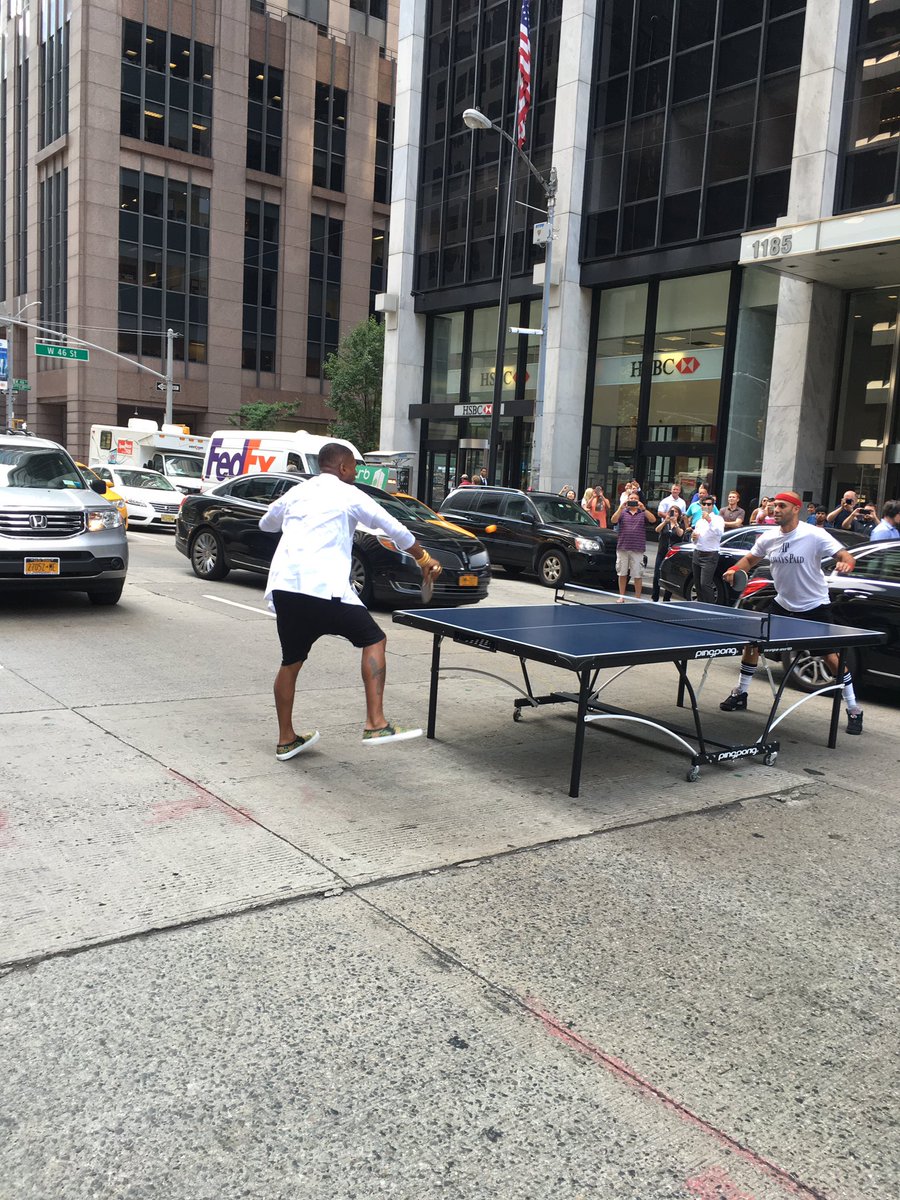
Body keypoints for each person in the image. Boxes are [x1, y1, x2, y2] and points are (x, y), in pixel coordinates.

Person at [259, 442, 443, 759]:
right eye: (355, 467)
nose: (356, 473)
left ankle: (286, 739)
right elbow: (394, 528)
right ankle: (376, 723)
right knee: (374, 639)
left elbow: (266, 524)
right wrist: (424, 558)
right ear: (342, 467)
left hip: (286, 588)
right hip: (324, 588)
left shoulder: (298, 492)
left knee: (291, 661)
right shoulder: (349, 494)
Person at [720, 490, 864, 735]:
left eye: (782, 506)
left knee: (830, 658)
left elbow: (845, 555)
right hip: (783, 605)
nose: (776, 510)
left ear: (796, 509)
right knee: (752, 644)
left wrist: (846, 563)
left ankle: (853, 708)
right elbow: (751, 559)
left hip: (814, 606)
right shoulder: (769, 537)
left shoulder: (815, 534)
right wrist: (734, 569)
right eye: (775, 505)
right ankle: (741, 693)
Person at [611, 486, 655, 602]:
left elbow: (653, 520)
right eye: (631, 498)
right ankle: (622, 596)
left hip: (637, 548)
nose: (633, 500)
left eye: (635, 499)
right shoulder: (623, 512)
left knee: (637, 574)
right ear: (627, 500)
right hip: (623, 547)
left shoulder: (642, 513)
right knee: (622, 573)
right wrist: (620, 507)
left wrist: (644, 509)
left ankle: (637, 598)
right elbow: (613, 520)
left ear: (639, 501)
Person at [691, 496, 726, 603]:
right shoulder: (699, 521)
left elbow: (719, 532)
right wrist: (693, 538)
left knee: (705, 584)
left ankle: (710, 606)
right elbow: (695, 540)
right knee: (697, 584)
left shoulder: (718, 519)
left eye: (709, 504)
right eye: (704, 504)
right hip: (698, 552)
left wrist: (709, 520)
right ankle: (700, 604)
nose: (706, 506)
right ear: (701, 506)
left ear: (713, 506)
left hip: (710, 555)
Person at [651, 502, 687, 602]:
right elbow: (657, 530)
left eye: (676, 512)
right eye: (672, 511)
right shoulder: (665, 523)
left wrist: (675, 524)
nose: (673, 513)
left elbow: (680, 534)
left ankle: (667, 598)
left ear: (679, 514)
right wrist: (665, 522)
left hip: (672, 554)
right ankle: (655, 597)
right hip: (662, 552)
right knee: (657, 574)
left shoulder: (680, 524)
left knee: (670, 575)